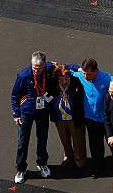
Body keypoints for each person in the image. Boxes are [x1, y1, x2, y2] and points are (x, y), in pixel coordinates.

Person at [68, 58, 113, 178]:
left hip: (106, 119)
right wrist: (75, 67)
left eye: (88, 73)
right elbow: (65, 69)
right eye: (84, 73)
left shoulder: (107, 78)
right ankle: (98, 166)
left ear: (96, 71)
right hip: (90, 119)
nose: (85, 76)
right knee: (95, 145)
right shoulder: (79, 75)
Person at [11, 51, 55, 183]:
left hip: (43, 111)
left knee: (42, 138)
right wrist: (16, 114)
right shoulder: (23, 75)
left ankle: (42, 163)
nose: (36, 70)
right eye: (34, 67)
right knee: (22, 142)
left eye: (39, 67)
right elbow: (14, 95)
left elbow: (65, 67)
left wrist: (79, 68)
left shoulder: (48, 70)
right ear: (31, 64)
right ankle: (21, 168)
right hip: (26, 112)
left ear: (44, 65)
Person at [49, 64, 87, 174]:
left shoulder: (76, 83)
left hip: (74, 118)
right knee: (64, 139)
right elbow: (48, 98)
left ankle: (80, 159)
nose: (64, 81)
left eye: (66, 78)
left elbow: (79, 100)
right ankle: (68, 156)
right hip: (60, 118)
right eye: (61, 79)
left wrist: (69, 96)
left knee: (78, 139)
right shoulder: (53, 85)